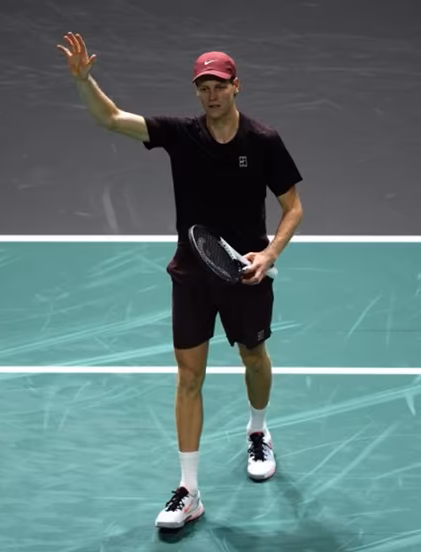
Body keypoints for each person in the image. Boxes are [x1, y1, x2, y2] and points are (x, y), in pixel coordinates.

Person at [57, 32, 304, 529]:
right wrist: (85, 81)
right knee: (189, 377)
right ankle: (189, 490)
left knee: (254, 357)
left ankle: (258, 430)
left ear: (236, 86)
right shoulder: (180, 133)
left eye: (219, 86)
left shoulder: (263, 141)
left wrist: (269, 253)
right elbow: (112, 118)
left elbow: (293, 207)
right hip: (192, 273)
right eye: (203, 88)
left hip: (245, 273)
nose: (211, 95)